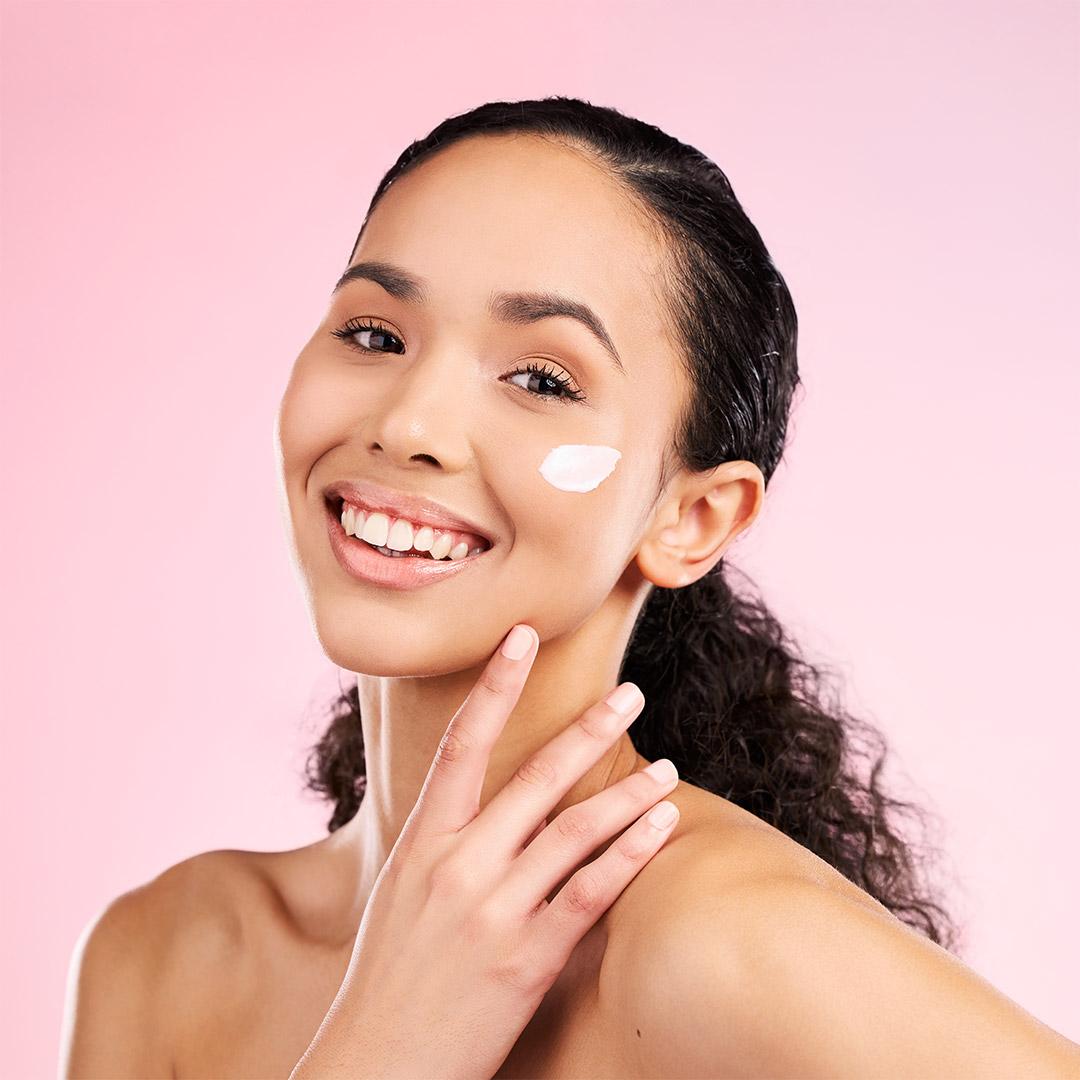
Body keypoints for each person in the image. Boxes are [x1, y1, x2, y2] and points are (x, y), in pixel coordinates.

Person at [60, 96, 1080, 1078]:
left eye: (542, 379)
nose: (408, 425)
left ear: (693, 519)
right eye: (375, 334)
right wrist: (385, 1046)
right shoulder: (168, 956)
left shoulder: (725, 945)